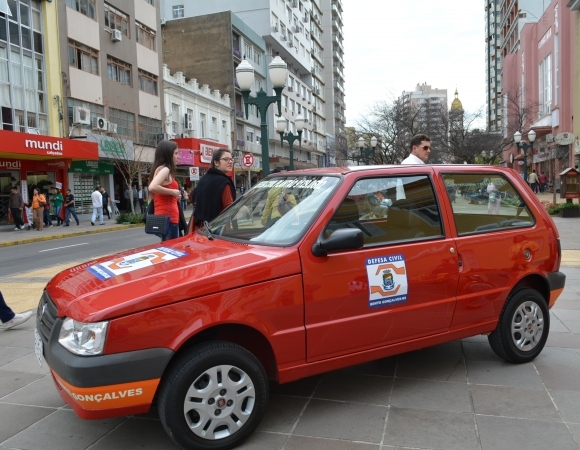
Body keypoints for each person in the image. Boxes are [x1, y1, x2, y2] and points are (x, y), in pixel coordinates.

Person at [192, 149, 236, 230]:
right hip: (218, 228)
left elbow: (193, 198)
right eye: (226, 159)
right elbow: (229, 208)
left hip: (201, 228)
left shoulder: (203, 179)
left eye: (231, 159)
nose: (230, 162)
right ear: (216, 163)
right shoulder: (224, 182)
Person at [148, 140, 181, 241]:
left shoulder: (158, 169)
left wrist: (175, 196)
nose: (178, 156)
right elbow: (152, 187)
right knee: (172, 251)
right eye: (176, 153)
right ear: (168, 155)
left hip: (164, 217)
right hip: (169, 217)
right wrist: (172, 192)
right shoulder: (165, 169)